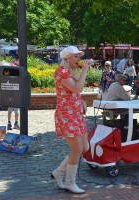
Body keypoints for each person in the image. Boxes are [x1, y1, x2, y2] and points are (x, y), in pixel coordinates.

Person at [51, 46, 91, 194]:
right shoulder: (61, 72)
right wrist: (85, 71)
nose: (79, 59)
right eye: (76, 56)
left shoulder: (71, 72)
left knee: (85, 147)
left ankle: (58, 172)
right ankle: (70, 182)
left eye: (79, 56)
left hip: (76, 114)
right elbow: (76, 89)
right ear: (67, 58)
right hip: (67, 115)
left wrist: (81, 101)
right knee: (77, 149)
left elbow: (75, 93)